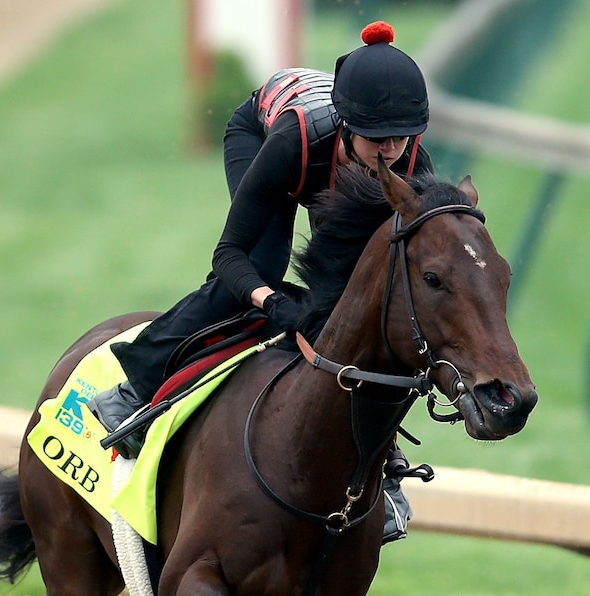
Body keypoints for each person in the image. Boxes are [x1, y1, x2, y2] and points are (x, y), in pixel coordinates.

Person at [88, 21, 432, 538]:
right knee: (262, 264)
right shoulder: (296, 143)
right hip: (264, 132)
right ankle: (136, 385)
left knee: (353, 303)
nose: (388, 153)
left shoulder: (411, 165)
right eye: (376, 140)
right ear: (347, 126)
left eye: (399, 139)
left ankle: (383, 464)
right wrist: (271, 303)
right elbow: (229, 256)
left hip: (326, 162)